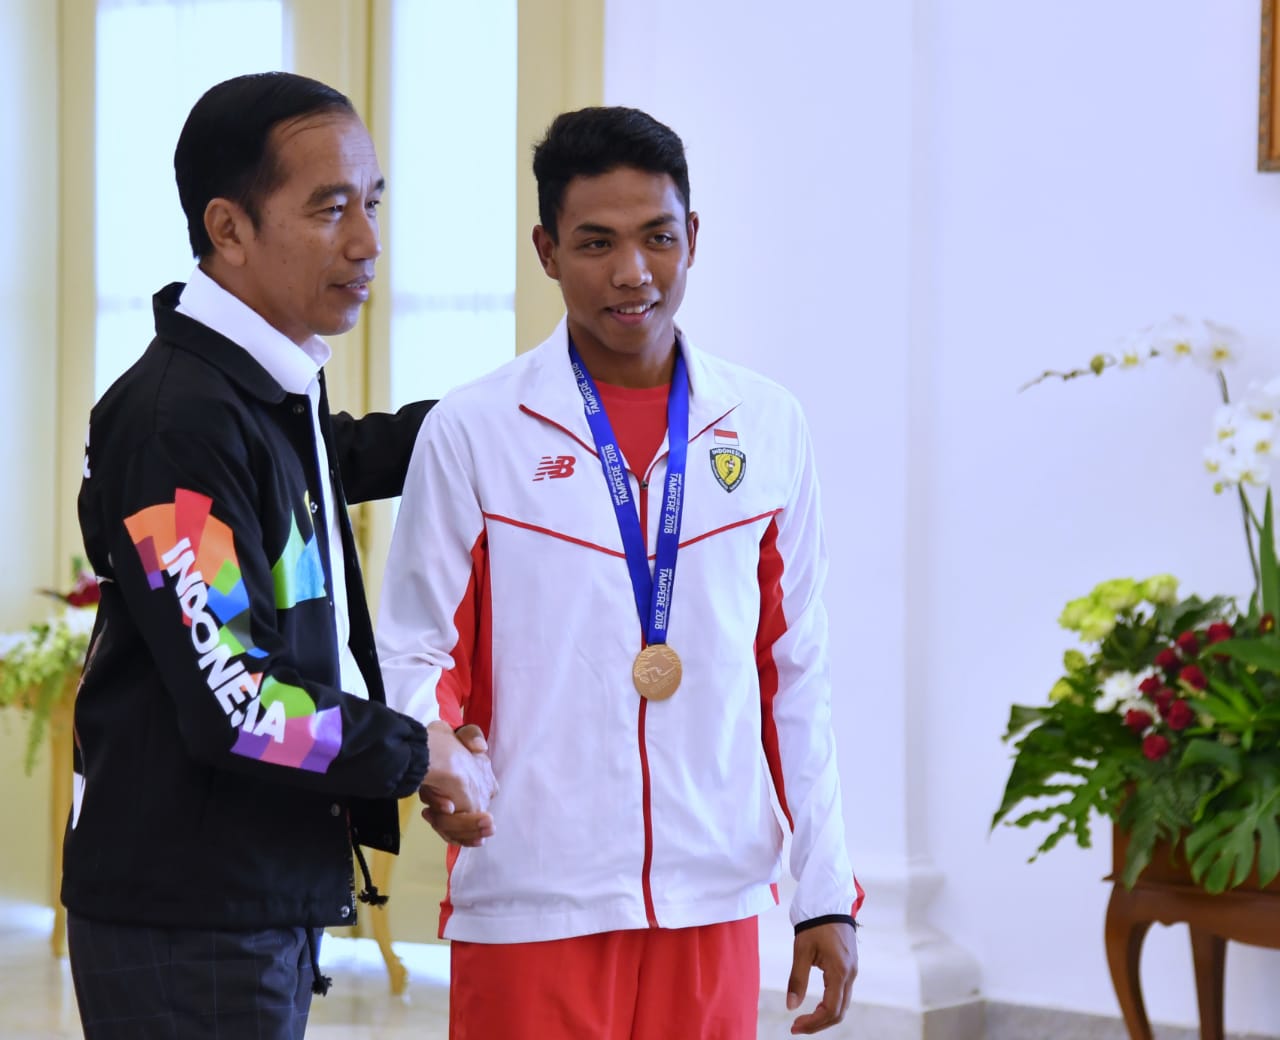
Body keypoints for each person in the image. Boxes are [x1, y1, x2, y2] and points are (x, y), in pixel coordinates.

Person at [377, 105, 862, 1038]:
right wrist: (438, 758)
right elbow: (413, 648)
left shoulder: (766, 426)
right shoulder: (476, 432)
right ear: (547, 249)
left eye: (658, 238)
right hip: (532, 897)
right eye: (596, 242)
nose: (633, 273)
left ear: (693, 239)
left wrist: (825, 891)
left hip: (712, 898)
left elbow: (795, 675)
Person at [65, 71, 495, 1040]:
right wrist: (417, 751)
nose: (366, 242)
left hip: (247, 894)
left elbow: (332, 458)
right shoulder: (178, 421)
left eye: (372, 202)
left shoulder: (250, 395)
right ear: (228, 228)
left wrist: (500, 425)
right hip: (188, 915)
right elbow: (238, 700)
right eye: (328, 208)